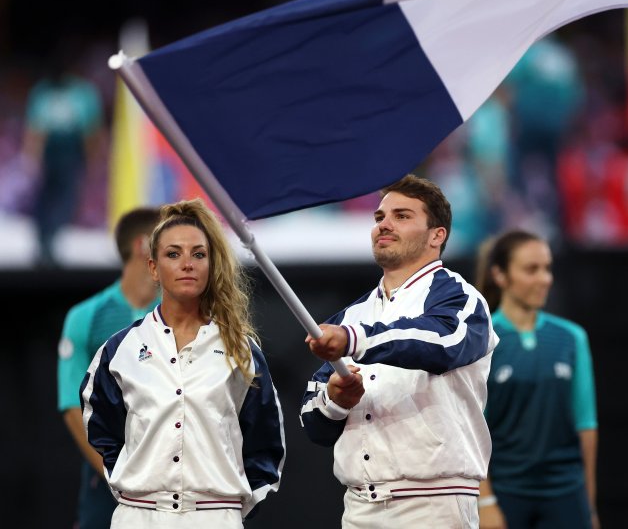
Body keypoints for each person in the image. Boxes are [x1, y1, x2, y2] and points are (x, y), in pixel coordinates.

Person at [300, 174, 498, 528]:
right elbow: (311, 422)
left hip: (434, 504)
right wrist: (335, 401)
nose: (384, 225)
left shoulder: (460, 298)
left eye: (402, 216)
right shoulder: (351, 316)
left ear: (437, 235)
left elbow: (442, 344)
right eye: (379, 218)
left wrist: (355, 340)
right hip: (359, 506)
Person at [81, 199, 285, 528]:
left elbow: (266, 441)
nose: (187, 263)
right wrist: (133, 480)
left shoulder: (241, 351)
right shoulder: (121, 350)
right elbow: (100, 427)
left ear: (211, 264)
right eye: (173, 254)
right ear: (153, 267)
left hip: (215, 516)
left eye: (198, 254)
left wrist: (228, 508)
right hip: (139, 515)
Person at [475, 230, 599, 529]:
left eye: (547, 268)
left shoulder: (572, 338)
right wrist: (486, 501)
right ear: (500, 275)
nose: (545, 279)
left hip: (566, 494)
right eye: (532, 269)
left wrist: (589, 506)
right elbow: (471, 429)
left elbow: (586, 425)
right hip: (506, 494)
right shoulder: (481, 340)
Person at [57, 206, 162, 529]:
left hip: (172, 478)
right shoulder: (85, 317)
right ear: (144, 246)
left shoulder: (185, 315)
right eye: (170, 243)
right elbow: (71, 403)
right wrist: (114, 473)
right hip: (106, 482)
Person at [23, 46, 103, 267]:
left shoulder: (82, 92)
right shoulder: (42, 91)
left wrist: (92, 158)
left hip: (71, 151)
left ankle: (52, 239)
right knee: (47, 198)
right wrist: (32, 156)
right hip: (51, 151)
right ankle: (44, 241)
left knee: (66, 198)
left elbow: (90, 130)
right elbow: (36, 128)